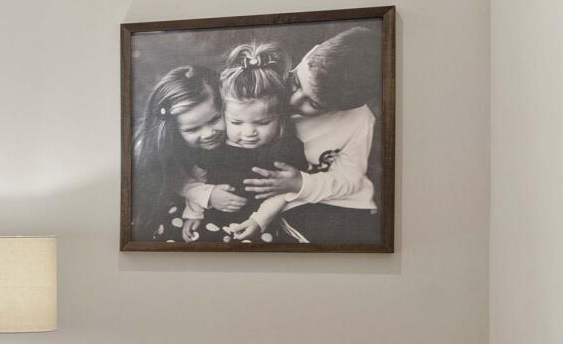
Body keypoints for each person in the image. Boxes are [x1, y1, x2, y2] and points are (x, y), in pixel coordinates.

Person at [226, 26, 382, 245]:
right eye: (297, 83)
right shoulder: (265, 83)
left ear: (344, 108)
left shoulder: (359, 120)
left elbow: (350, 179)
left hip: (337, 203)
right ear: (310, 53)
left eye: (314, 104)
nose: (293, 101)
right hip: (265, 201)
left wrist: (300, 183)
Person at [130, 65, 242, 240]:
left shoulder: (243, 132)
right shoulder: (163, 149)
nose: (208, 134)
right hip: (187, 205)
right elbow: (170, 175)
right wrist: (206, 194)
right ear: (173, 130)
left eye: (215, 119)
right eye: (192, 129)